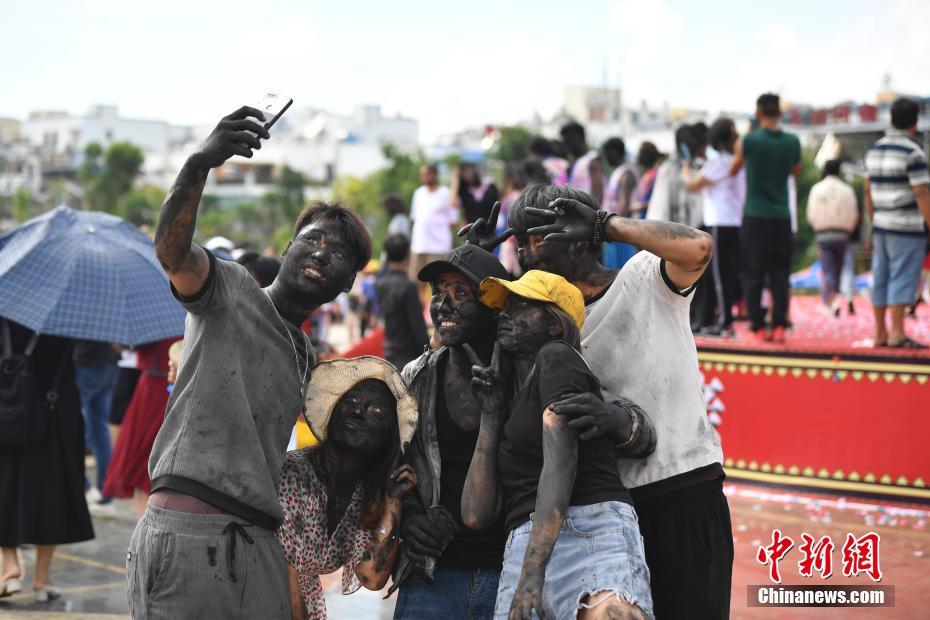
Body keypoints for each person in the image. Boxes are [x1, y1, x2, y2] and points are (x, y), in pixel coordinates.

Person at [129, 106, 372, 619]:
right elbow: (173, 254)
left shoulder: (305, 354)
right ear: (288, 247)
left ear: (349, 282)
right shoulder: (231, 288)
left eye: (340, 252)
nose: (323, 252)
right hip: (193, 532)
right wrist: (200, 163)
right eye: (314, 238)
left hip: (260, 540)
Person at [503, 184, 731, 619]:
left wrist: (607, 226)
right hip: (607, 516)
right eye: (519, 244)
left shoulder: (645, 278)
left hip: (683, 489)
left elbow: (699, 248)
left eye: (535, 238)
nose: (525, 256)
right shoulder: (544, 325)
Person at [460, 270, 654, 620]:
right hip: (526, 543)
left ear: (554, 324)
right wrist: (490, 415)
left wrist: (533, 574)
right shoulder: (513, 397)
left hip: (587, 529)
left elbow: (561, 463)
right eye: (505, 306)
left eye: (521, 305)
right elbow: (475, 515)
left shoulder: (556, 356)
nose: (506, 313)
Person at [391, 244, 512, 620]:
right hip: (433, 575)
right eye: (439, 293)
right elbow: (393, 467)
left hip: (511, 573)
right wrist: (408, 515)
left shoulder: (528, 374)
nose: (444, 305)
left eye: (461, 293)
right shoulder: (417, 376)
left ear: (494, 305)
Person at [277, 357, 419, 618]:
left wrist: (394, 500)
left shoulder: (360, 495)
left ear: (388, 436)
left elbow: (372, 577)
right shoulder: (293, 474)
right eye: (351, 401)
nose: (357, 411)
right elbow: (282, 573)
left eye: (375, 410)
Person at [1, 319, 94, 602]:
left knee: (5, 486)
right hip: (56, 414)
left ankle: (8, 565)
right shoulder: (69, 314)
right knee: (52, 492)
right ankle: (42, 580)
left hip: (9, 411)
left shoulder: (7, 308)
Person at [730, 93, 801, 343]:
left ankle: (758, 325)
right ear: (779, 113)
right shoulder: (792, 142)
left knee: (754, 273)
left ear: (759, 113)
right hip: (781, 216)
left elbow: (734, 168)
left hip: (755, 216)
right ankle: (780, 324)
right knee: (780, 273)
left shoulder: (750, 141)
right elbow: (795, 170)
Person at [864, 97, 930, 348]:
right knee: (902, 276)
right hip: (905, 226)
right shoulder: (913, 152)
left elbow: (867, 190)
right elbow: (921, 192)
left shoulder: (875, 149)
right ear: (914, 122)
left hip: (881, 224)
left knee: (880, 276)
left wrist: (874, 220)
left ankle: (880, 332)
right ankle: (897, 333)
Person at [682, 118, 745, 334]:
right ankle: (719, 318)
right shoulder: (733, 160)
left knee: (719, 274)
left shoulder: (719, 162)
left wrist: (685, 168)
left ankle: (725, 321)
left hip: (721, 221)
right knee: (725, 273)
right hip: (731, 221)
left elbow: (693, 185)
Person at [102, 338, 178, 517]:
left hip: (159, 385)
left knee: (146, 460)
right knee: (145, 461)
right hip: (154, 382)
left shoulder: (164, 316)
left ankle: (146, 521)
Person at [806, 159, 859, 316]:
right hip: (843, 235)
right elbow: (854, 213)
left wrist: (818, 228)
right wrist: (848, 229)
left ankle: (830, 300)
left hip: (823, 235)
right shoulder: (847, 190)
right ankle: (847, 296)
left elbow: (811, 214)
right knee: (844, 268)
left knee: (828, 270)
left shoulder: (817, 189)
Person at [72, 339, 119, 512]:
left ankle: (84, 487)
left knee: (73, 429)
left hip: (86, 362)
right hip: (109, 362)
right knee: (99, 431)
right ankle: (105, 494)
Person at [375, 234, 429, 370]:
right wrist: (428, 351)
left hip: (389, 352)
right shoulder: (408, 286)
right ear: (408, 256)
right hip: (409, 357)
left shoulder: (380, 283)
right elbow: (417, 325)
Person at [409, 164, 459, 298]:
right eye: (422, 174)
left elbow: (453, 220)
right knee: (415, 282)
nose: (424, 177)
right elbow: (415, 217)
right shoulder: (418, 193)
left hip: (438, 246)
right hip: (419, 245)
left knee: (438, 282)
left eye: (427, 174)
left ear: (434, 175)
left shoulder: (446, 193)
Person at [649, 124, 705, 230]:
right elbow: (660, 208)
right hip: (672, 232)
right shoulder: (668, 169)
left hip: (697, 230)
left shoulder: (700, 166)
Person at [602, 137, 640, 269]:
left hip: (622, 234)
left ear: (614, 152)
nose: (605, 157)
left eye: (606, 153)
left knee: (622, 272)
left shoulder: (626, 173)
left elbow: (624, 206)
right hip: (613, 232)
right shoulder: (617, 172)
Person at [560, 122, 604, 205]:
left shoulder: (592, 160)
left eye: (569, 141)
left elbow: (598, 197)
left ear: (579, 137)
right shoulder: (574, 163)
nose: (566, 146)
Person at [631, 141, 661, 215]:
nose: (637, 156)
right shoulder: (648, 174)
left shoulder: (656, 174)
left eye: (640, 152)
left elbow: (658, 200)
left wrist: (639, 206)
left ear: (646, 155)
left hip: (652, 218)